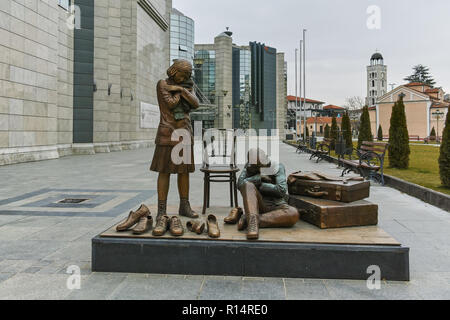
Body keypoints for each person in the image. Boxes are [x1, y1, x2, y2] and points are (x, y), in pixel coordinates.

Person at [150, 59, 200, 219]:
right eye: (182, 74)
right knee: (164, 171)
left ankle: (184, 206)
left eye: (187, 75)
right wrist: (182, 92)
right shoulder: (162, 84)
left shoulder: (187, 86)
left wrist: (180, 89)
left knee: (184, 172)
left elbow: (196, 103)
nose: (184, 78)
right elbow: (170, 104)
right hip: (167, 133)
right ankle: (162, 210)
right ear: (174, 71)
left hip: (184, 133)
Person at [236, 148, 299, 240]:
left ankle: (249, 220)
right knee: (247, 185)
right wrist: (258, 178)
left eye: (262, 166)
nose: (260, 169)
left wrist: (261, 185)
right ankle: (252, 224)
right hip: (258, 205)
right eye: (257, 167)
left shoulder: (277, 166)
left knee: (293, 214)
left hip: (276, 206)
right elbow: (240, 185)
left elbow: (281, 190)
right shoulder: (249, 166)